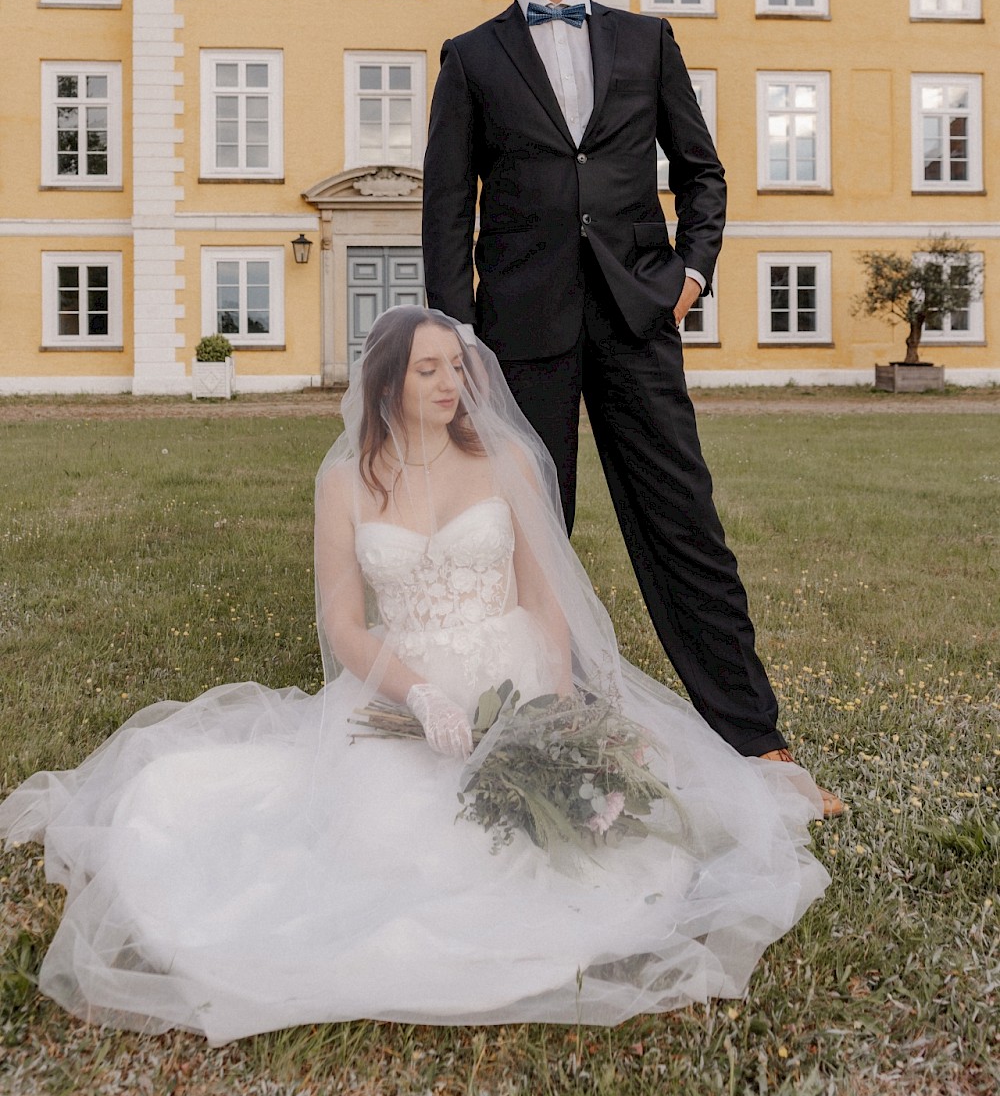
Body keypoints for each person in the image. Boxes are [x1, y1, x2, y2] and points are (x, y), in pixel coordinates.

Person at [0, 307, 828, 1044]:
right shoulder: (343, 483)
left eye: (456, 366)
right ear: (387, 383)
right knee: (381, 841)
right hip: (402, 687)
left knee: (563, 847)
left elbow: (545, 604)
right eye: (427, 370)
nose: (449, 383)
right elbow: (344, 626)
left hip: (512, 676)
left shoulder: (504, 459)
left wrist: (553, 709)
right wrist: (420, 694)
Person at [422, 0, 843, 815]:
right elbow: (446, 210)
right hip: (518, 332)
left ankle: (756, 740)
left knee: (684, 525)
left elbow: (703, 172)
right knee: (523, 535)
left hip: (637, 317)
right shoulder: (472, 57)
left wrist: (690, 274)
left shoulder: (648, 41)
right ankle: (523, 736)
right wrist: (459, 339)